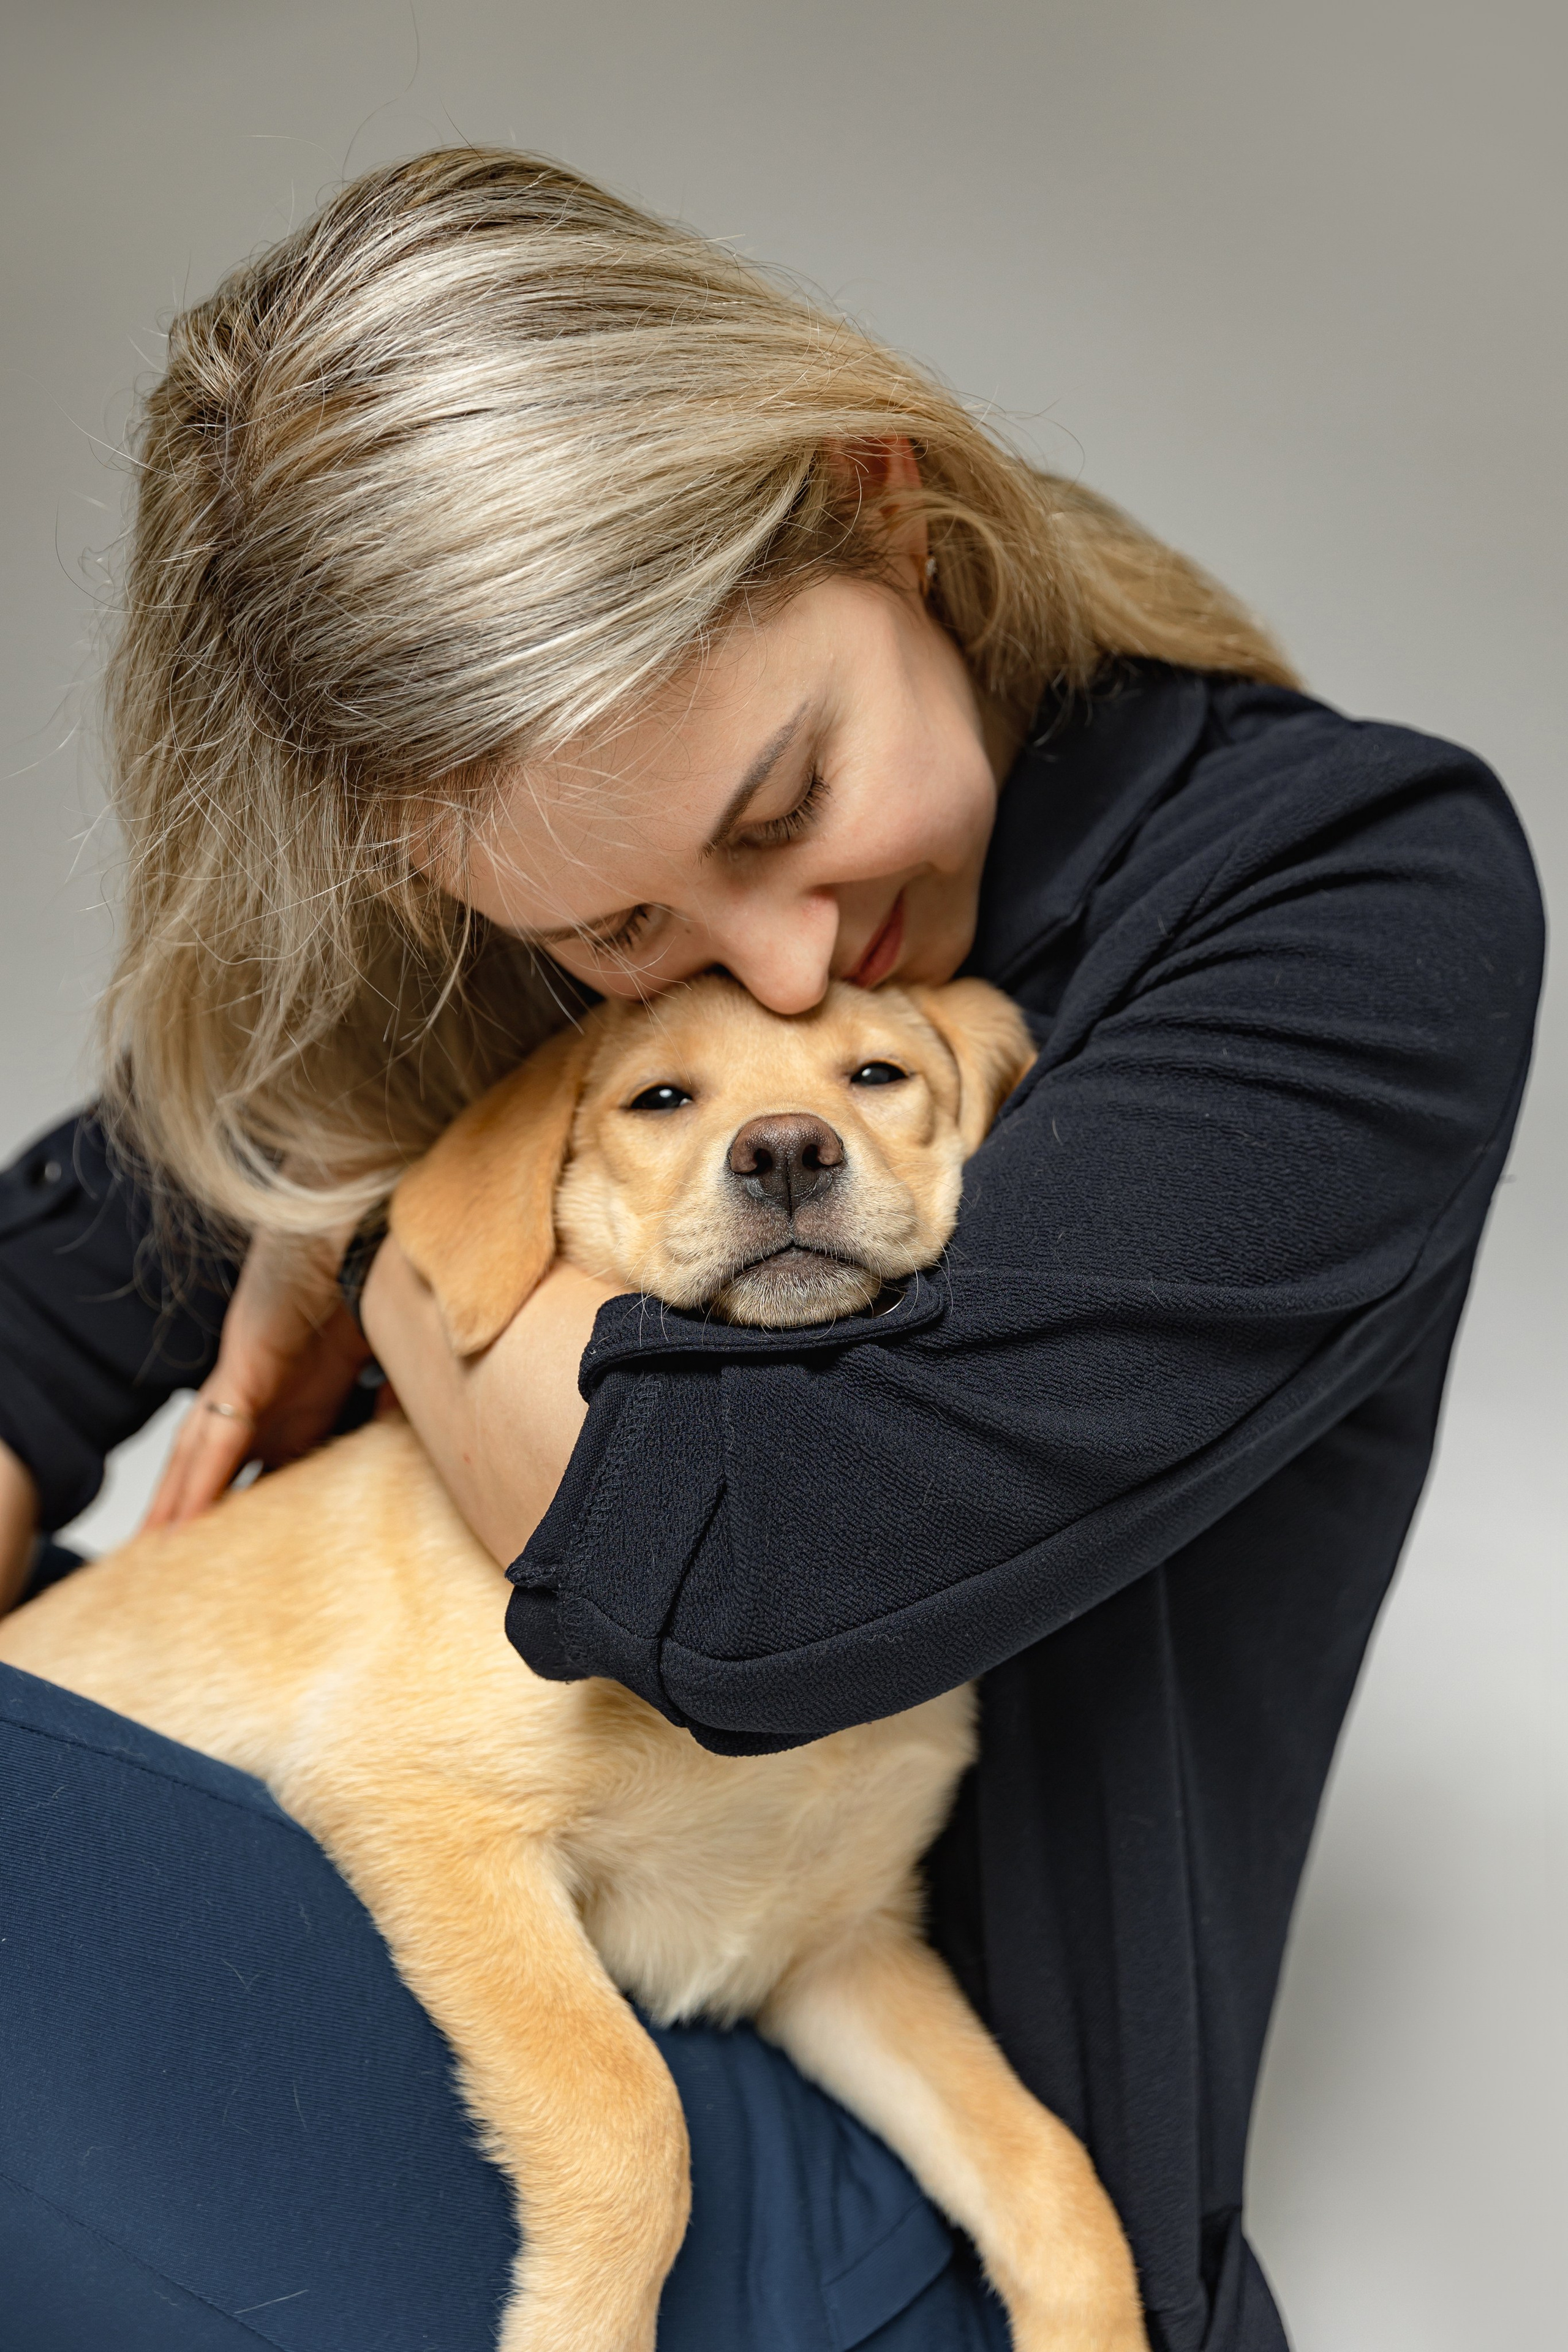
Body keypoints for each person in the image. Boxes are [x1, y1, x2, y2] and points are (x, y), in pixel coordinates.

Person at [0, 148, 1543, 2352]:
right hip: (429, 1963)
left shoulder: (1350, 904)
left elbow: (758, 1567)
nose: (789, 987)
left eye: (785, 804)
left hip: (862, 2217)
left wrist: (422, 1242)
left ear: (881, 506)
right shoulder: (529, 891)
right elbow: (48, 1285)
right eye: (619, 942)